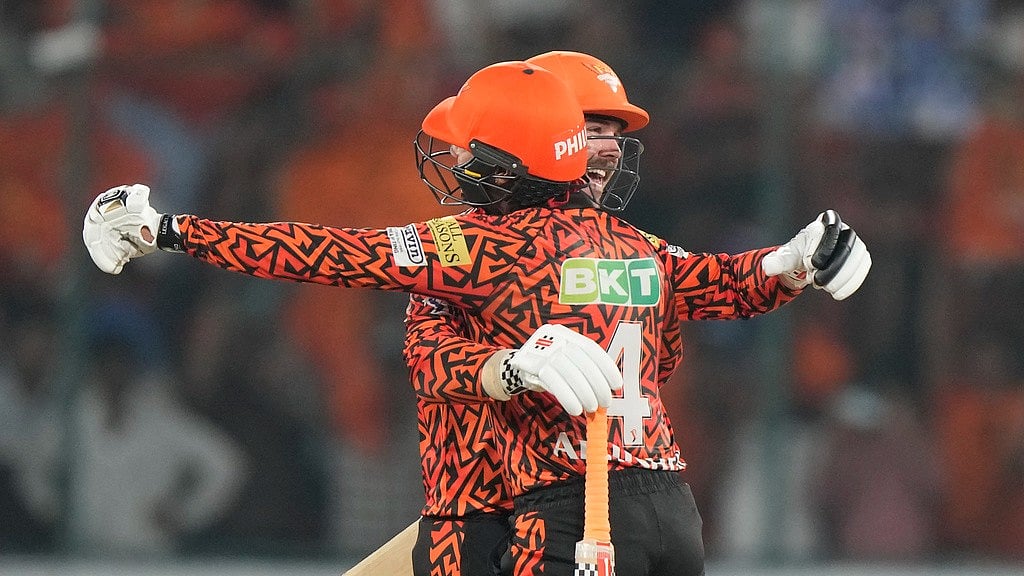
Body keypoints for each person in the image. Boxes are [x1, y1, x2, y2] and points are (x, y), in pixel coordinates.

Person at [82, 59, 871, 575]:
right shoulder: (629, 242)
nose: (604, 151)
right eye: (591, 129)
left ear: (507, 154)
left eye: (467, 147)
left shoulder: (467, 243)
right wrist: (787, 264)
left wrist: (171, 230)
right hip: (656, 506)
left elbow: (323, 252)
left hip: (539, 514)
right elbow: (717, 285)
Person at [401, 50, 647, 576]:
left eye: (607, 133)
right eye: (589, 129)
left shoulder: (630, 251)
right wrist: (509, 368)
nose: (602, 151)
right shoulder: (456, 245)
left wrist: (787, 270)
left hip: (558, 519)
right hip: (484, 523)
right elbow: (429, 361)